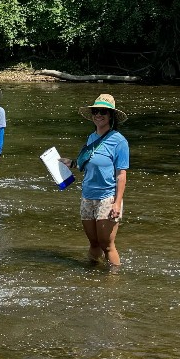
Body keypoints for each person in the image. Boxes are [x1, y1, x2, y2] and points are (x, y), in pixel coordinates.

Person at [62, 93, 129, 269]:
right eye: (95, 111)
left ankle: (113, 281)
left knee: (107, 246)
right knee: (93, 243)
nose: (98, 115)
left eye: (103, 112)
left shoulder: (119, 141)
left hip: (107, 198)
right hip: (87, 196)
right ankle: (91, 275)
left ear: (111, 116)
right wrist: (71, 163)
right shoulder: (91, 138)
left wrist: (117, 203)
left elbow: (121, 174)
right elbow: (87, 163)